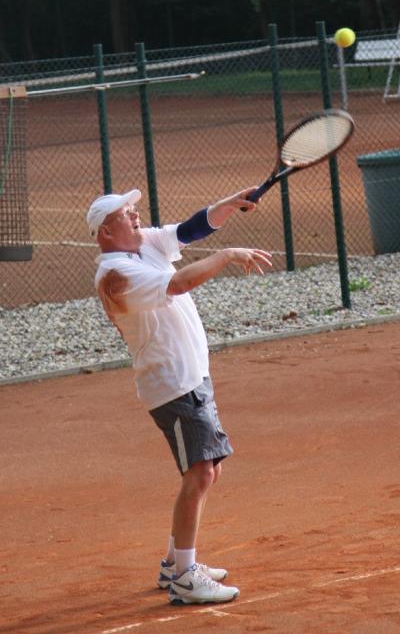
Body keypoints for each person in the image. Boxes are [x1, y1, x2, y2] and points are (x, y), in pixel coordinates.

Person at [86, 187, 271, 606]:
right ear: (106, 232)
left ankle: (175, 563)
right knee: (200, 473)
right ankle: (185, 578)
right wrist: (228, 255)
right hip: (172, 385)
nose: (136, 216)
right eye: (126, 213)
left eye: (133, 209)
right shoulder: (116, 274)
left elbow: (189, 230)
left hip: (192, 377)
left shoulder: (143, 244)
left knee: (208, 470)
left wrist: (228, 204)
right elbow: (180, 282)